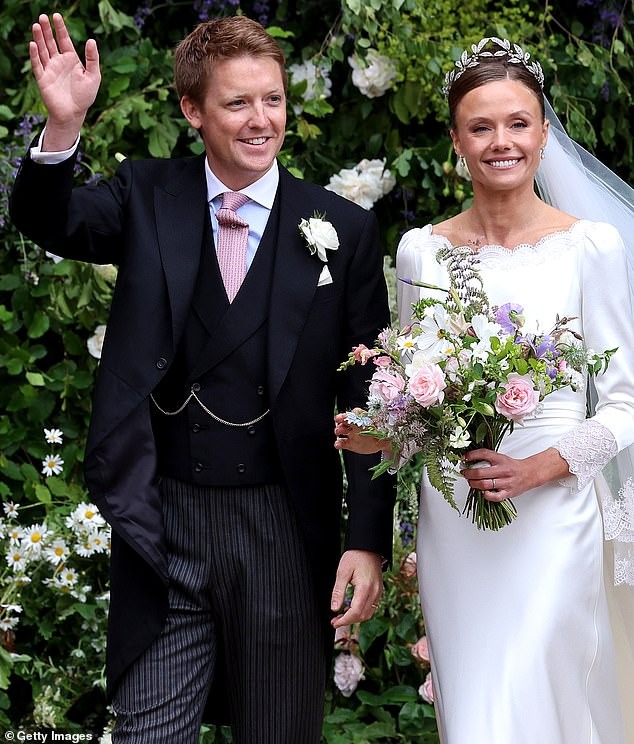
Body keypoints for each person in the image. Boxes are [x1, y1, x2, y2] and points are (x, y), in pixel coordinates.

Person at [10, 12, 396, 744]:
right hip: (167, 524)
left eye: (274, 99)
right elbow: (48, 221)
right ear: (192, 110)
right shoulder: (146, 196)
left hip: (284, 527)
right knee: (148, 734)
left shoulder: (341, 229)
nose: (262, 121)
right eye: (237, 103)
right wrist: (62, 131)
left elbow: (369, 398)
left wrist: (367, 539)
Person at [335, 37, 634, 744]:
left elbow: (625, 403)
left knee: (534, 702)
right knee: (473, 720)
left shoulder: (591, 247)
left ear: (542, 134)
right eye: (481, 126)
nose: (502, 142)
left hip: (557, 519)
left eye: (518, 123)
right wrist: (387, 433)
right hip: (458, 524)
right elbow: (415, 394)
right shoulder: (419, 251)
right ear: (456, 142)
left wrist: (538, 468)